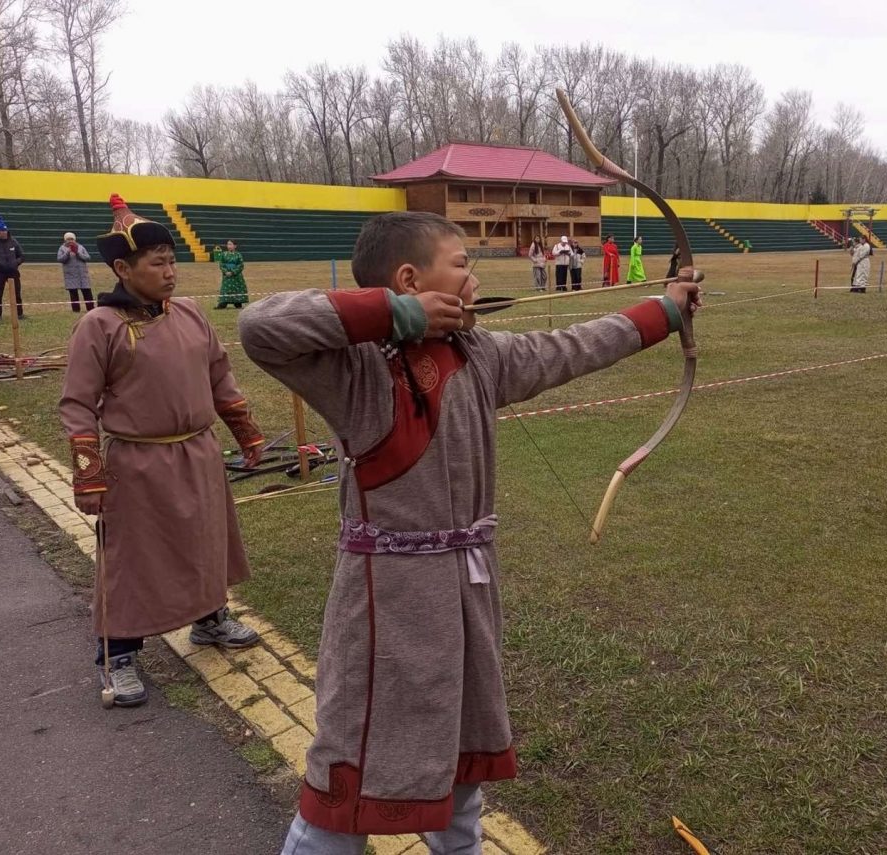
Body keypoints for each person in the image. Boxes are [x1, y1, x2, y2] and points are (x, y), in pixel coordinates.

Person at [237, 211, 700, 853]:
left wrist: (666, 311)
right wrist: (397, 316)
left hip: (467, 591)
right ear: (409, 280)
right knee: (351, 781)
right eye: (461, 266)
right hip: (387, 605)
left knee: (460, 762)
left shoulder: (478, 353)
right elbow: (260, 327)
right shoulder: (356, 370)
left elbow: (570, 346)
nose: (475, 281)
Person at [59, 195, 265, 709]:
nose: (171, 272)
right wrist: (89, 474)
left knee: (205, 541)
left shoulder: (191, 313)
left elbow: (220, 376)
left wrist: (246, 432)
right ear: (123, 269)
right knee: (131, 558)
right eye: (158, 264)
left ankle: (210, 620)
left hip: (198, 453)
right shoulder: (99, 326)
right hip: (137, 463)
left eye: (172, 261)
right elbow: (78, 404)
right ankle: (119, 654)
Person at [57, 231, 94, 312]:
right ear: (65, 240)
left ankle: (91, 308)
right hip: (70, 275)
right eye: (68, 239)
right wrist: (68, 252)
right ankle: (76, 310)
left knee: (87, 292)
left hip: (82, 274)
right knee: (73, 293)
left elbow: (87, 257)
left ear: (75, 239)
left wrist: (77, 253)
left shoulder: (81, 247)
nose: (70, 241)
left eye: (72, 239)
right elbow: (60, 259)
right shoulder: (62, 248)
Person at [216, 239, 249, 309]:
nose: (229, 246)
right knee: (226, 289)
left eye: (231, 244)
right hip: (226, 275)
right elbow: (221, 264)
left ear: (235, 246)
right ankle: (223, 304)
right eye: (228, 244)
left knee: (237, 289)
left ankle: (238, 303)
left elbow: (241, 265)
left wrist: (233, 272)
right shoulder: (223, 254)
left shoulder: (238, 255)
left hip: (236, 276)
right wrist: (226, 272)